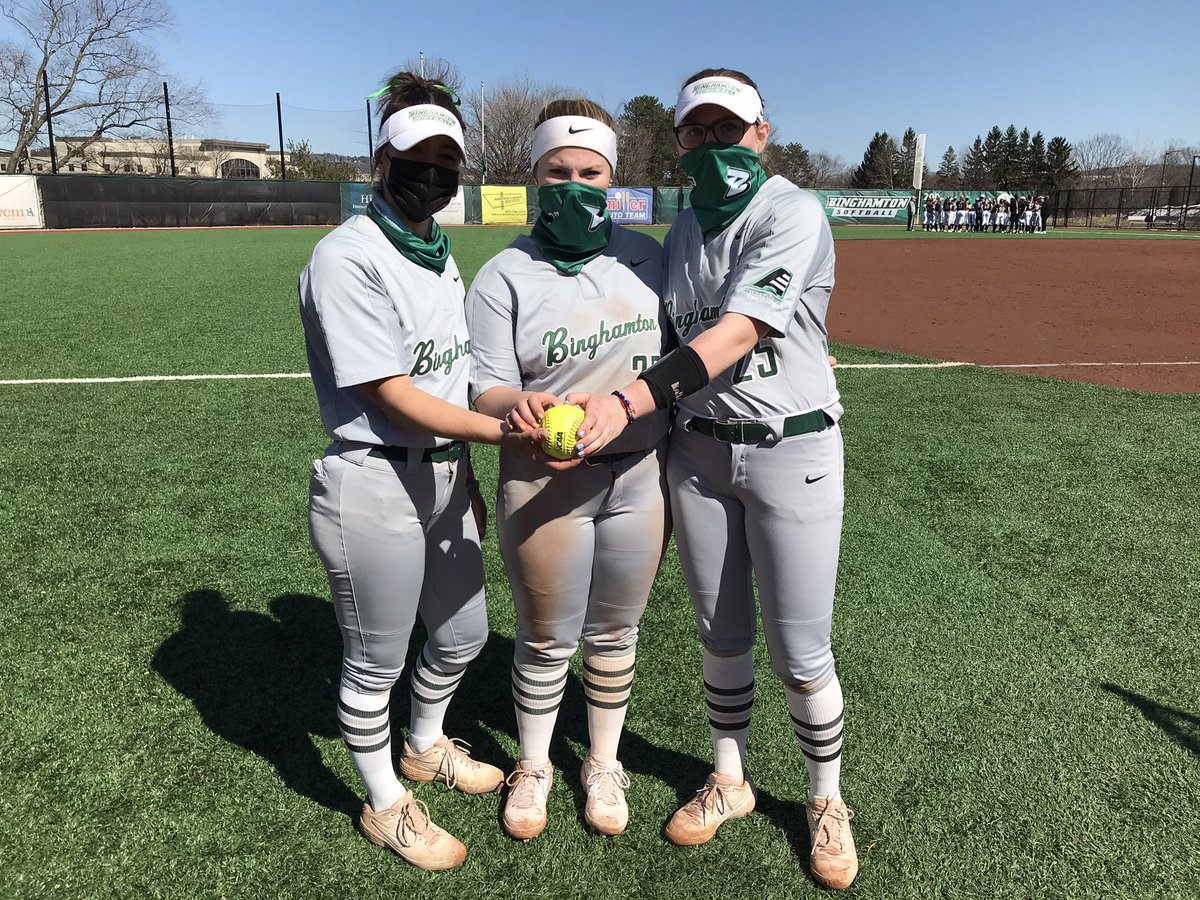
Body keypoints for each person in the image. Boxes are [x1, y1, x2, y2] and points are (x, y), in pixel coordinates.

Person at [567, 68, 858, 890]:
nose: (712, 141)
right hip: (696, 455)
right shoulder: (685, 222)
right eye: (696, 130)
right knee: (720, 637)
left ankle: (824, 801)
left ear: (761, 134)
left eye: (728, 128)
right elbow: (657, 331)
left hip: (790, 449)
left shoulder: (792, 211)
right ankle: (729, 778)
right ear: (681, 139)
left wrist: (628, 400)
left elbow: (740, 330)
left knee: (802, 652)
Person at [298, 71, 542, 871]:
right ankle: (384, 803)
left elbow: (445, 379)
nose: (432, 173)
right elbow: (393, 395)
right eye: (417, 156)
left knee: (465, 632)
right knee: (375, 661)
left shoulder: (438, 255)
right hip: (371, 479)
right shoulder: (347, 256)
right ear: (383, 156)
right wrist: (502, 429)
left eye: (447, 160)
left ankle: (425, 745)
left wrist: (467, 467)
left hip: (440, 475)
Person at [465, 98, 672, 840]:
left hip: (640, 471)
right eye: (559, 171)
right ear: (534, 177)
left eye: (591, 172)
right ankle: (534, 763)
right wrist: (517, 407)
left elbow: (694, 353)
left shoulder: (649, 256)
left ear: (611, 179)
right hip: (543, 477)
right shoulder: (502, 275)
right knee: (547, 634)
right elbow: (483, 383)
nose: (574, 184)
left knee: (616, 631)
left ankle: (604, 761)